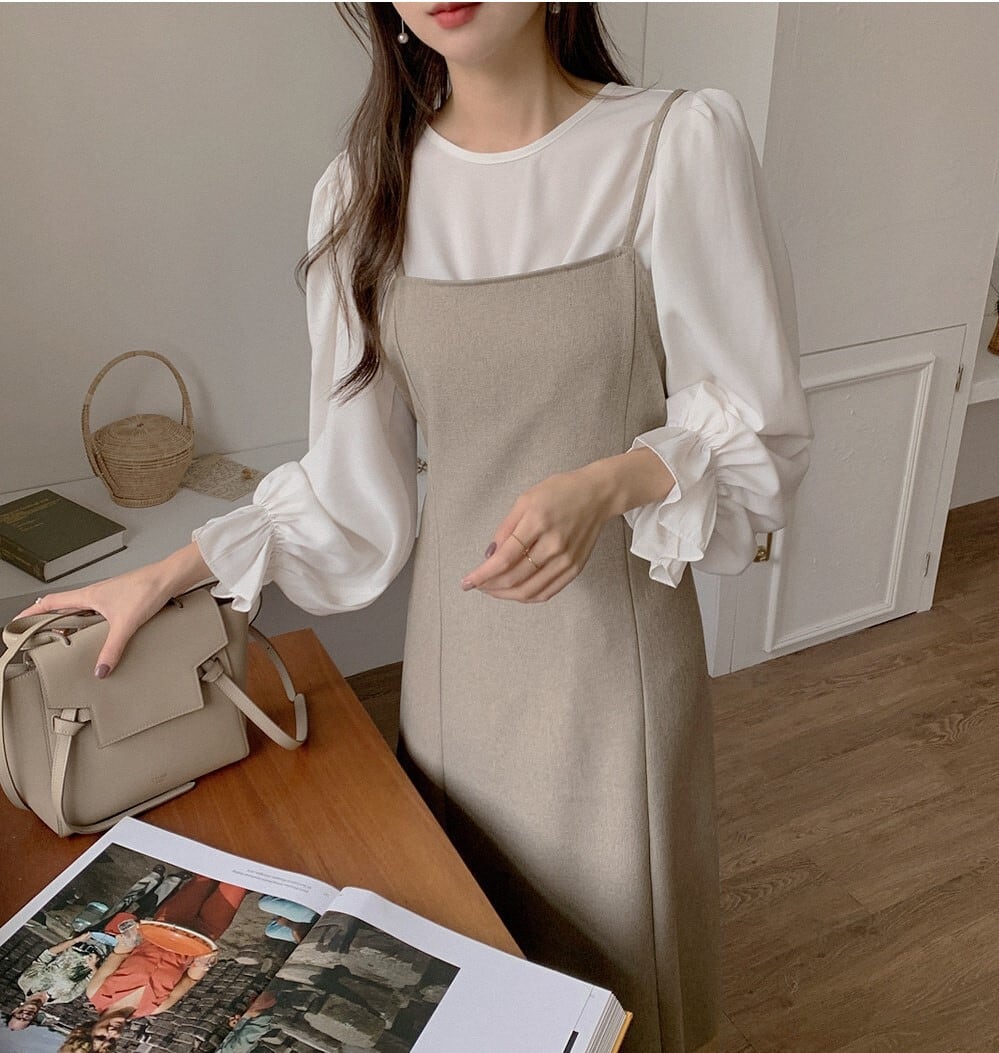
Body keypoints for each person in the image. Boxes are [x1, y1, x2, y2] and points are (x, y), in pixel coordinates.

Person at [24, 5, 812, 1050]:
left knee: (613, 990)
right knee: (470, 975)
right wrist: (168, 571)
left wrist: (609, 481)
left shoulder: (673, 145)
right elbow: (351, 492)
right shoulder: (363, 193)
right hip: (456, 673)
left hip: (611, 674)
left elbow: (755, 427)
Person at [85, 876, 245, 1019]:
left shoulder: (96, 993)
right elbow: (190, 980)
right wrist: (203, 963)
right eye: (112, 1039)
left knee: (204, 879)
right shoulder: (155, 1008)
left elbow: (118, 955)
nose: (111, 1033)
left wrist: (128, 938)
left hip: (167, 923)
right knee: (237, 882)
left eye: (101, 1037)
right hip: (201, 938)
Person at [8, 933, 117, 1026]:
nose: (25, 1015)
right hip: (104, 949)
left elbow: (47, 955)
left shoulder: (25, 982)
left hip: (83, 938)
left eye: (19, 1016)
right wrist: (93, 965)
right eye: (26, 1019)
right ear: (34, 1018)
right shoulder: (65, 998)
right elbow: (91, 979)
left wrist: (76, 940)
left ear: (15, 1010)